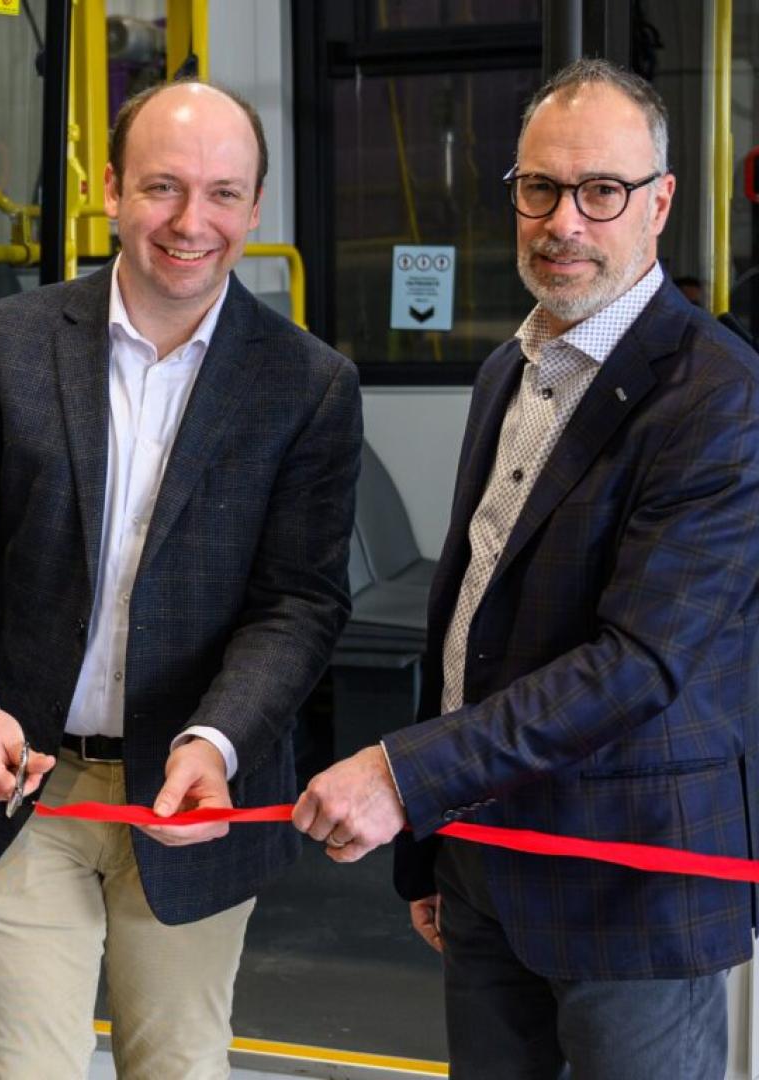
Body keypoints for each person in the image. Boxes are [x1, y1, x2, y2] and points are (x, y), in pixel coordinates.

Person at [296, 59, 759, 1079]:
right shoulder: (513, 366)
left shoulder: (719, 398)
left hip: (633, 890)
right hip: (487, 867)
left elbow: (636, 664)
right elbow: (473, 618)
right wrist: (435, 846)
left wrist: (401, 777)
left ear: (660, 203)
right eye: (539, 188)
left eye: (602, 191)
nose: (565, 221)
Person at [0, 79, 362, 1078]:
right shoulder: (3, 344)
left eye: (225, 194)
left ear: (256, 208)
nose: (194, 222)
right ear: (110, 189)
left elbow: (301, 602)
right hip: (21, 787)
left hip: (193, 799)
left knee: (178, 1067)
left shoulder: (308, 384)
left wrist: (219, 737)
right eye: (163, 187)